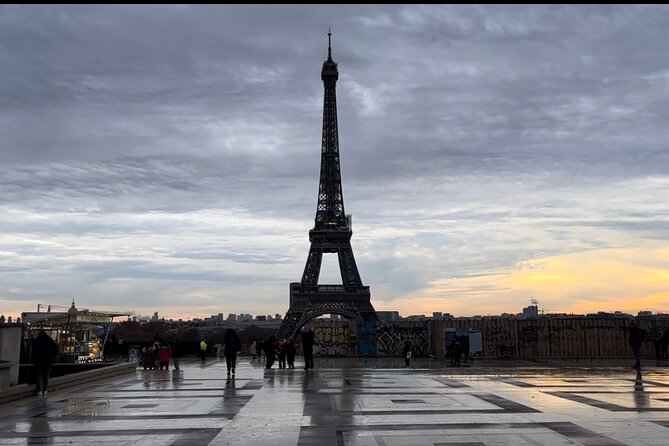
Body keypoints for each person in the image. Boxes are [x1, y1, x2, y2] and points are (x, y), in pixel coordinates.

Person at [32, 330, 59, 397]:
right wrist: (52, 357)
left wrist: (34, 359)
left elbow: (34, 351)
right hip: (48, 361)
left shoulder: (37, 341)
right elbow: (56, 348)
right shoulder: (49, 340)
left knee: (39, 375)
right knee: (46, 376)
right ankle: (45, 390)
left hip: (39, 361)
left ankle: (40, 390)